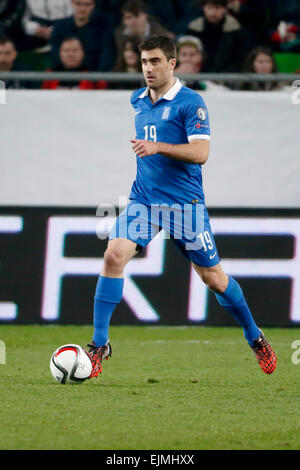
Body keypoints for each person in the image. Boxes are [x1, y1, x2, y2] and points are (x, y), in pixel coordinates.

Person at [85, 35, 277, 379]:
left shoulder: (191, 103)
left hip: (184, 207)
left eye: (155, 61)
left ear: (172, 63)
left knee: (214, 279)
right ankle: (100, 344)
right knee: (113, 256)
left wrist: (158, 147)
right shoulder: (138, 100)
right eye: (144, 62)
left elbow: (201, 154)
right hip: (143, 201)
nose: (148, 68)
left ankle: (254, 336)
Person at [50, 0, 115, 71]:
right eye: (78, 4)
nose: (82, 8)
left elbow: (107, 54)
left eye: (87, 4)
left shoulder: (104, 26)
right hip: (65, 76)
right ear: (71, 3)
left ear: (93, 5)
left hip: (94, 77)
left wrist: (97, 78)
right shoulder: (59, 27)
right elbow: (56, 57)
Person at [187, 0, 248, 72]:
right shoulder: (194, 29)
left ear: (224, 9)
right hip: (199, 74)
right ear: (204, 8)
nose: (213, 12)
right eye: (210, 8)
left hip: (228, 76)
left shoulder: (235, 29)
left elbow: (239, 57)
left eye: (217, 8)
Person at [42, 36, 107, 89]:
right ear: (60, 54)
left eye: (75, 50)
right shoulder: (50, 74)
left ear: (83, 53)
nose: (71, 54)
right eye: (66, 51)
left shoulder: (94, 76)